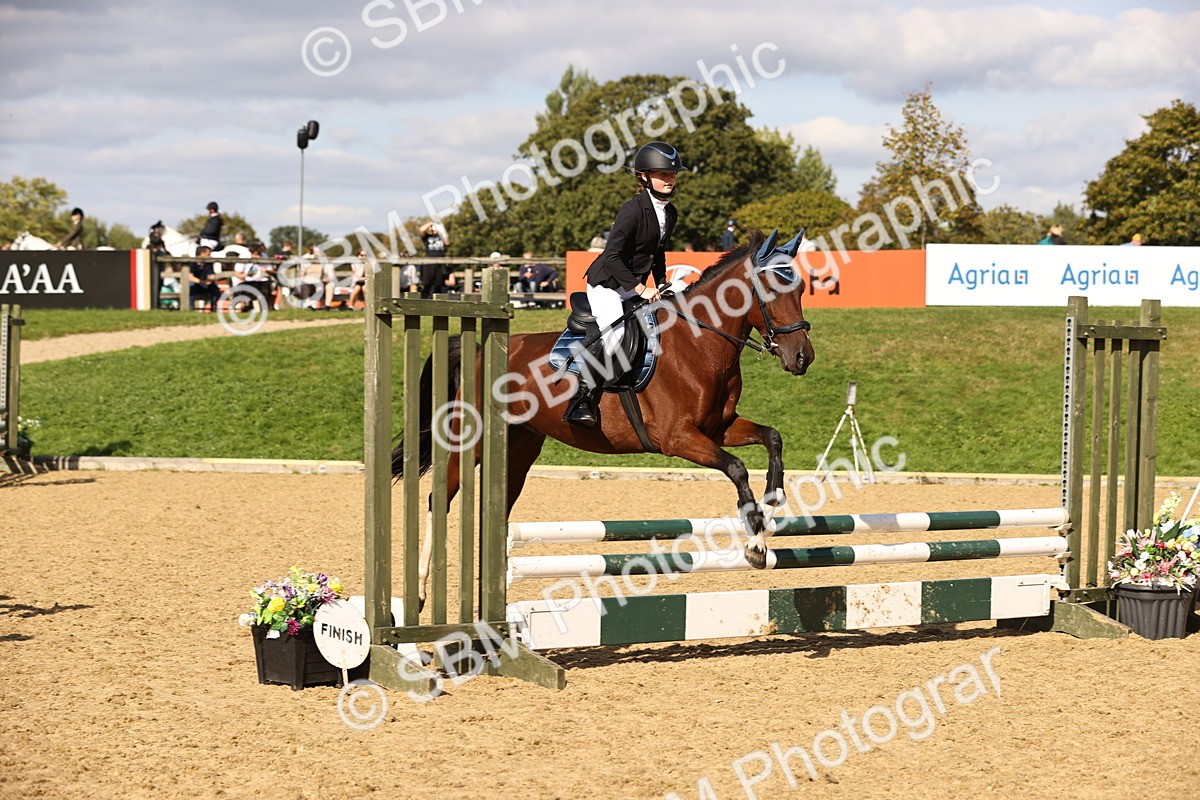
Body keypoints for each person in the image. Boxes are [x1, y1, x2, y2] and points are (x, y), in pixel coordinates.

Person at [568, 140, 684, 427]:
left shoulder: (670, 212)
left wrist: (662, 282)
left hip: (633, 284)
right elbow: (611, 256)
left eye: (672, 174)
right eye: (663, 174)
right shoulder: (632, 210)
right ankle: (581, 397)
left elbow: (657, 252)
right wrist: (639, 288)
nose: (670, 179)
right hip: (607, 283)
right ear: (643, 177)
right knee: (616, 335)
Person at [418, 220, 450, 298]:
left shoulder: (442, 237)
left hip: (439, 264)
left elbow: (447, 243)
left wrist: (441, 229)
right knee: (426, 284)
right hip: (428, 264)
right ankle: (424, 301)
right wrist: (431, 223)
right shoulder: (427, 237)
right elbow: (421, 230)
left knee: (438, 285)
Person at [188, 245, 222, 311]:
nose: (210, 256)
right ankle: (190, 308)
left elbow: (211, 275)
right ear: (202, 253)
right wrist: (202, 282)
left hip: (205, 284)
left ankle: (214, 308)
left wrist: (211, 279)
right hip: (196, 284)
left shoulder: (208, 264)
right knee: (191, 286)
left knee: (214, 288)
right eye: (208, 254)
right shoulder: (192, 263)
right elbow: (190, 277)